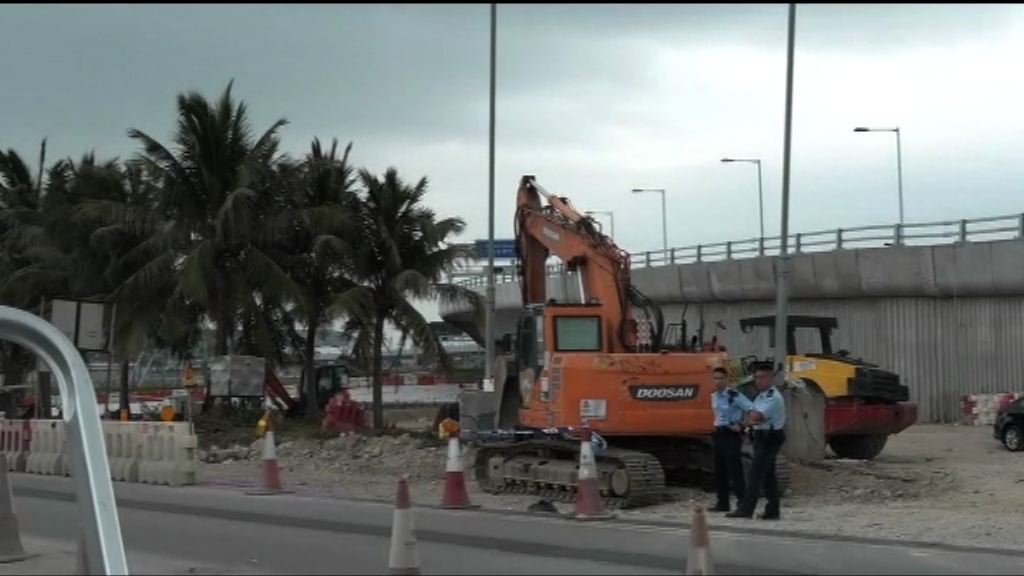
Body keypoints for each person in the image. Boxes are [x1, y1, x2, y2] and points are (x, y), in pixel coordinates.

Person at [727, 361, 786, 520]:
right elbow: (750, 417)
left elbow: (756, 416)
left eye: (762, 377)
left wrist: (740, 400)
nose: (758, 381)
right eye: (756, 378)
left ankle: (746, 509)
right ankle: (773, 510)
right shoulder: (761, 396)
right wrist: (743, 424)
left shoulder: (773, 397)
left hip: (770, 438)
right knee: (768, 476)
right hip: (761, 437)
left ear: (770, 378)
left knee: (755, 475)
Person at [710, 366, 753, 512]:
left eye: (720, 378)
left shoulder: (734, 395)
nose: (717, 381)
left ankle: (742, 503)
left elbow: (751, 410)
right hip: (718, 434)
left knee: (735, 471)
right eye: (715, 378)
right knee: (720, 470)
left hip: (731, 435)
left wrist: (742, 426)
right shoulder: (714, 396)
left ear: (726, 380)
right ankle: (722, 503)